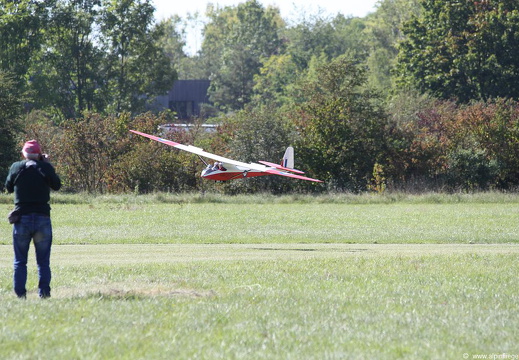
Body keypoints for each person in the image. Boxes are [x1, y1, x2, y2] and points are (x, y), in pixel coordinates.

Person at [4, 140, 61, 298]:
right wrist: (47, 165)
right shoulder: (45, 167)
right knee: (43, 261)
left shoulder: (17, 166)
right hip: (42, 218)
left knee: (20, 261)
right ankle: (44, 293)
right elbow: (56, 185)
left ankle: (20, 295)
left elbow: (8, 187)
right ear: (38, 153)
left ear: (24, 153)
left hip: (22, 218)